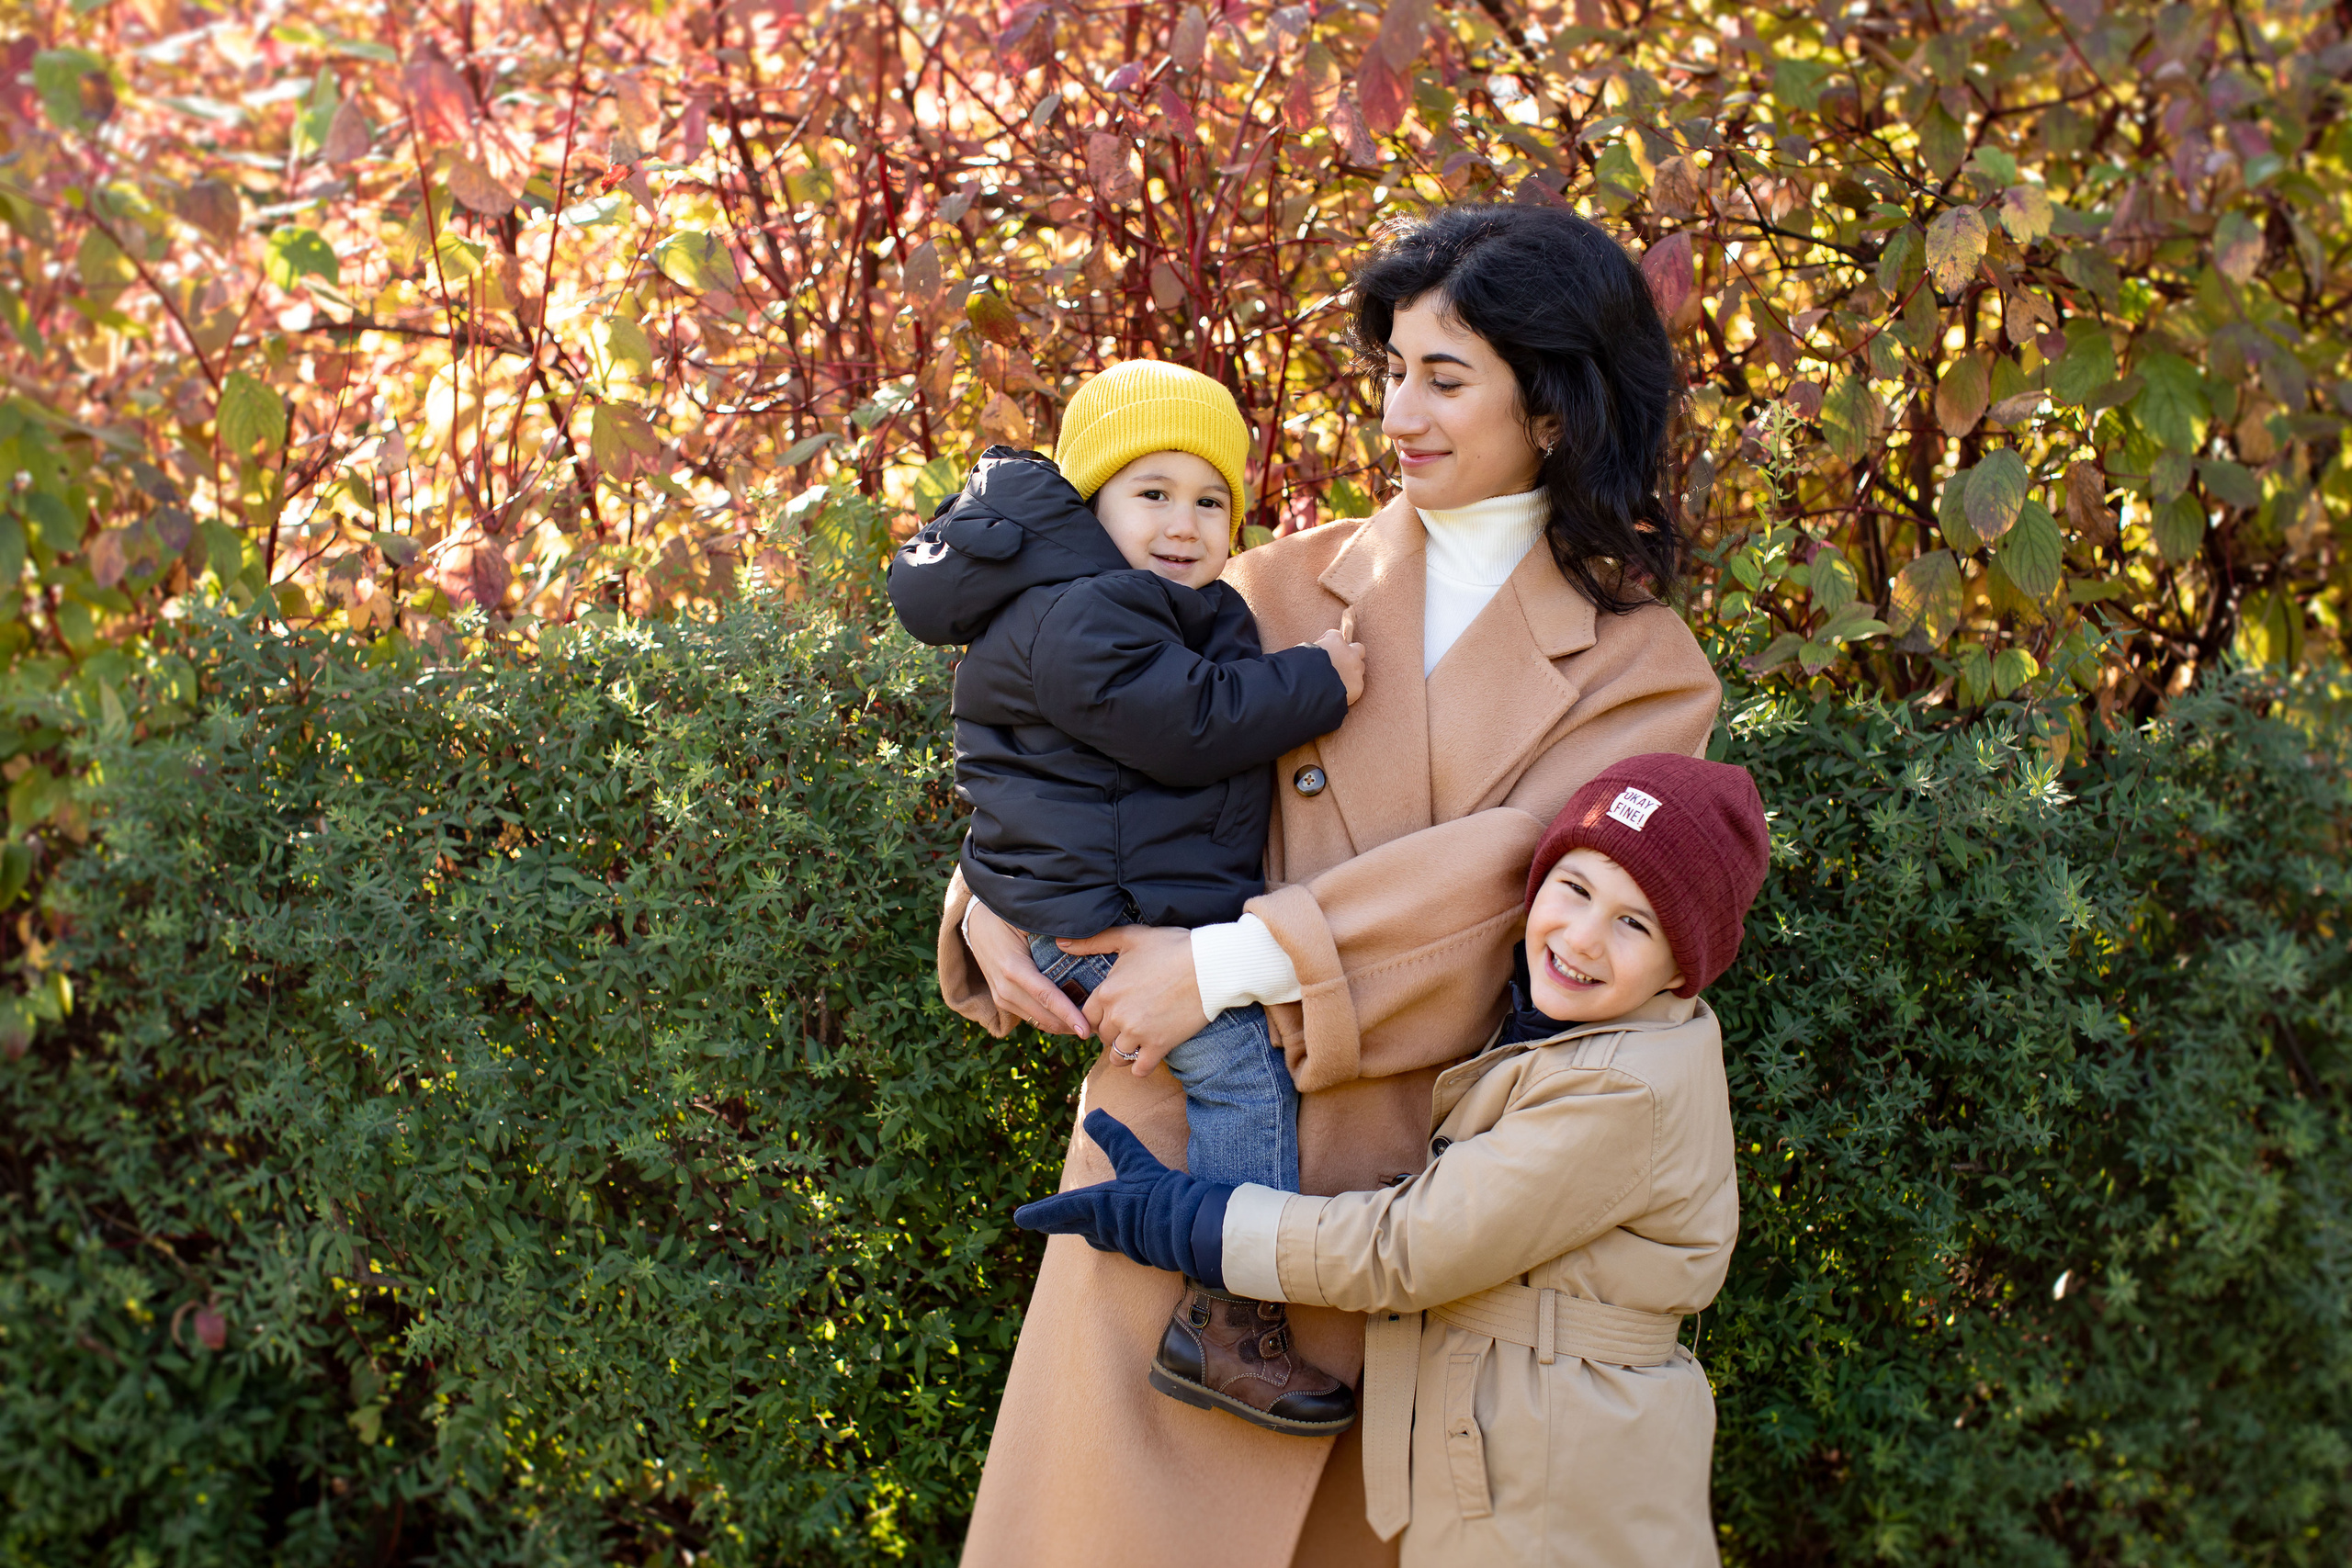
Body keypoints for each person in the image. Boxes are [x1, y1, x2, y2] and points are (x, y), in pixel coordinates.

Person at [944, 205, 1726, 1568]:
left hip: (1398, 1214)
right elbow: (1068, 728)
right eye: (1390, 372)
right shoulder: (1272, 578)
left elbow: (1509, 877)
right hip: (1171, 1148)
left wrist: (1232, 961)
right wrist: (991, 895)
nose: (1397, 415)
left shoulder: (1644, 670)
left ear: (1550, 405)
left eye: (1443, 375)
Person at [1016, 752, 1770, 1565]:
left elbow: (1410, 1246)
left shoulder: (1627, 1089)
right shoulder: (1578, 1032)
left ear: (1684, 965)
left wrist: (1190, 1222)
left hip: (1560, 1495)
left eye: (1636, 923)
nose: (1582, 936)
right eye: (1575, 888)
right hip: (1527, 1453)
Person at [887, 359, 1370, 1433]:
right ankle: (1232, 1320)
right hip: (1094, 919)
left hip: (1087, 899)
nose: (1185, 522)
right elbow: (1185, 722)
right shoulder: (1085, 613)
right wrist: (1319, 681)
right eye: (1150, 493)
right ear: (1086, 505)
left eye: (1210, 499)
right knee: (1243, 1075)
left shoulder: (1106, 604)